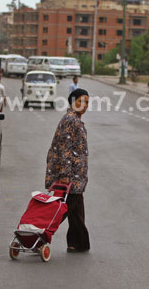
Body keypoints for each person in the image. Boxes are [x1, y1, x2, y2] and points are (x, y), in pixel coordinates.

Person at [45, 88, 90, 253]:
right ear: (72, 102)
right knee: (60, 212)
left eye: (86, 102)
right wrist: (64, 174)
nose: (84, 105)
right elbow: (64, 149)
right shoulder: (71, 120)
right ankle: (39, 236)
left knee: (76, 212)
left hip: (77, 176)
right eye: (81, 101)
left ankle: (77, 243)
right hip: (71, 176)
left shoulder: (75, 119)